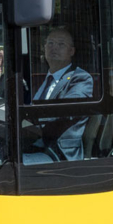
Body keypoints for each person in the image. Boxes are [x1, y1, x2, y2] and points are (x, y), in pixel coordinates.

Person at [23, 27, 94, 162]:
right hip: (31, 143)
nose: (54, 48)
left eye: (61, 44)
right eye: (50, 43)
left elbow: (69, 109)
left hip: (57, 153)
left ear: (71, 51)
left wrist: (33, 120)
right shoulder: (38, 80)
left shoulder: (80, 78)